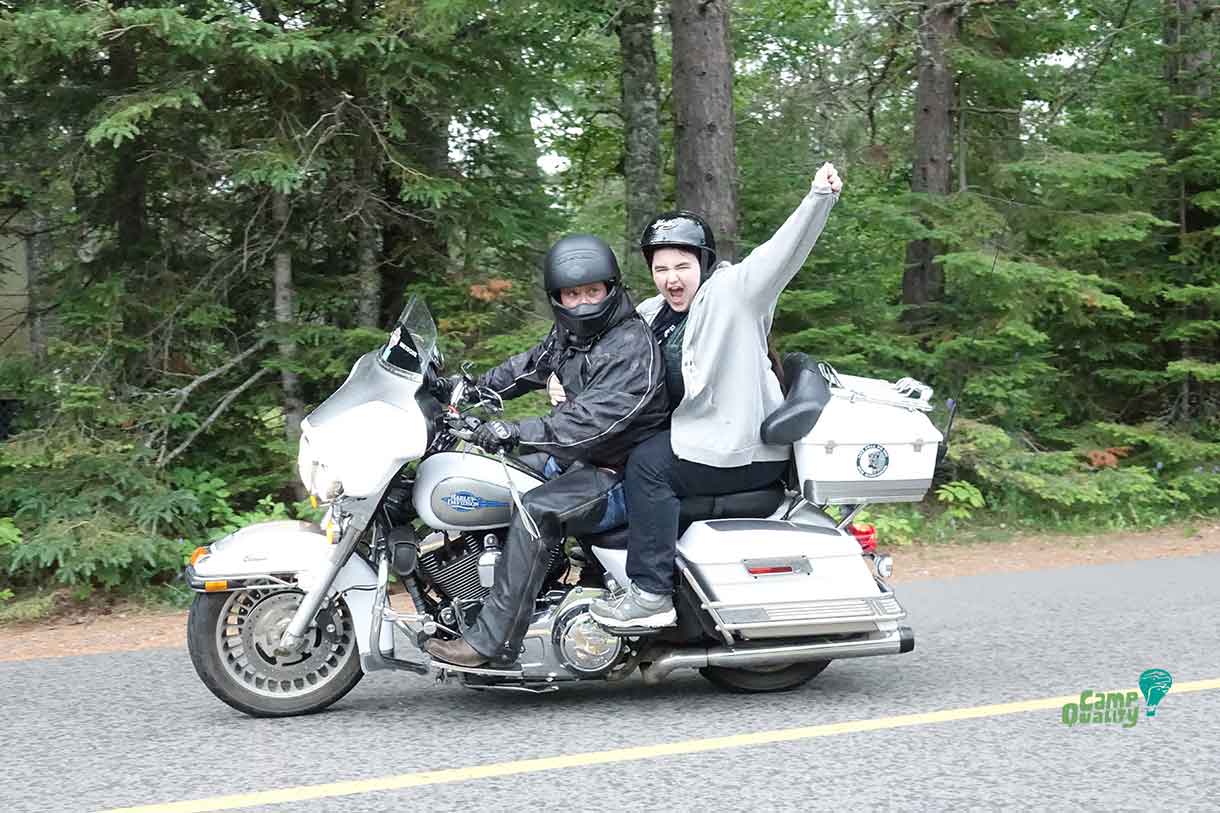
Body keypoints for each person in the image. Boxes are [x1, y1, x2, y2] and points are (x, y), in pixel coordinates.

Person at [590, 163, 843, 629]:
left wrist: (817, 198)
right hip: (698, 440)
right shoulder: (653, 313)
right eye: (661, 268)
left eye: (682, 266)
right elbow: (607, 358)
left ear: (703, 264)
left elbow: (782, 253)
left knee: (648, 464)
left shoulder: (734, 294)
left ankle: (650, 593)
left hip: (741, 448)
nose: (672, 278)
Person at [425, 234, 668, 667]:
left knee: (536, 509)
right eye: (572, 294)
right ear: (558, 298)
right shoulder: (570, 336)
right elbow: (524, 369)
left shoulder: (630, 345)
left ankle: (492, 641)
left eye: (592, 291)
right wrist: (456, 391)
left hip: (619, 471)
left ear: (611, 288)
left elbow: (588, 424)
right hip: (586, 458)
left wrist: (509, 431)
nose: (583, 303)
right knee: (496, 475)